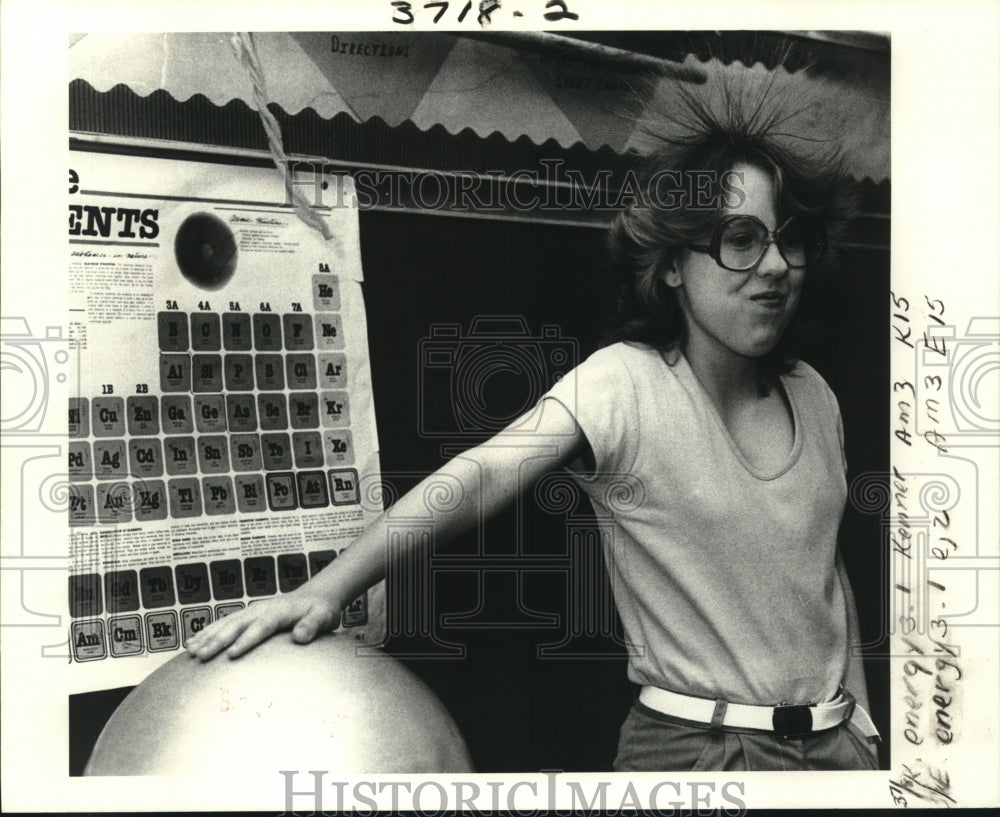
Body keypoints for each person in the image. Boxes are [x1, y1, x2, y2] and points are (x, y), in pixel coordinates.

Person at [186, 72, 881, 772]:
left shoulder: (814, 394)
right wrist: (326, 590)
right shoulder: (627, 382)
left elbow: (824, 566)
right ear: (673, 263)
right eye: (741, 238)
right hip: (697, 755)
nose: (774, 266)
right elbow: (481, 474)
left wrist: (864, 720)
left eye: (790, 241)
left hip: (835, 751)